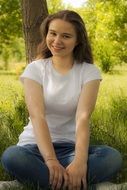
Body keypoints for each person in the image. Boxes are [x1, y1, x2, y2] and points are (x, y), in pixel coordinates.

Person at [1, 10, 122, 190]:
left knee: (112, 157)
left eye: (66, 36)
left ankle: (26, 184)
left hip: (71, 150)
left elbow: (83, 118)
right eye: (53, 33)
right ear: (46, 34)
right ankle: (94, 186)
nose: (57, 41)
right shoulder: (35, 69)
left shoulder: (89, 72)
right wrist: (50, 160)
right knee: (12, 156)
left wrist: (80, 162)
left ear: (78, 40)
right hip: (34, 148)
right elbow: (37, 116)